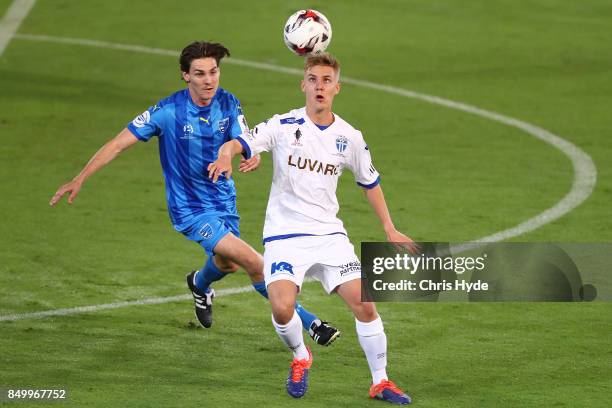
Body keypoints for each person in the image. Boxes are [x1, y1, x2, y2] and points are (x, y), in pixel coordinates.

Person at [49, 41, 340, 346]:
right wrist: (79, 177)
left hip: (223, 201)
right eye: (199, 74)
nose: (208, 80)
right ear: (185, 76)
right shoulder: (167, 112)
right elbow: (119, 143)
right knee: (255, 263)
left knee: (226, 263)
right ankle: (313, 324)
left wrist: (249, 156)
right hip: (190, 209)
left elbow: (243, 138)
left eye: (213, 72)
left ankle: (199, 284)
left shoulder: (229, 103)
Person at [208, 53, 414, 404]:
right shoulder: (283, 125)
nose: (320, 86)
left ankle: (380, 382)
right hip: (284, 236)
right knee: (282, 307)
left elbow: (370, 181)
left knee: (366, 304)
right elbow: (240, 142)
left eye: (326, 81)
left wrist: (390, 228)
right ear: (303, 84)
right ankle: (301, 355)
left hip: (329, 236)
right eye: (314, 80)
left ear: (337, 87)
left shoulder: (349, 137)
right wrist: (227, 154)